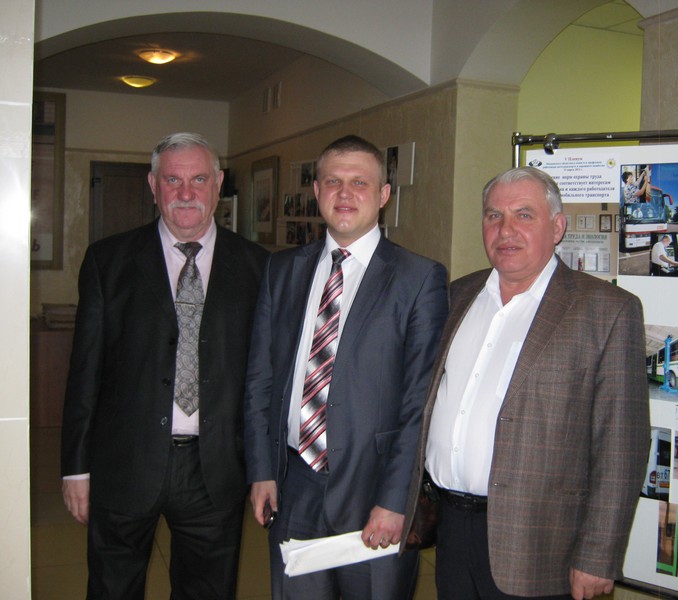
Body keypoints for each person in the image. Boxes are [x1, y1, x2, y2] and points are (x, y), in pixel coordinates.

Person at [401, 166, 650, 600]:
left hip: (541, 544)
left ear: (557, 227)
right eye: (493, 215)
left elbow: (621, 447)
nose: (505, 230)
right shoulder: (455, 296)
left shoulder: (607, 311)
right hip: (451, 530)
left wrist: (598, 555)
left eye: (524, 215)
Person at [61, 132, 268, 599]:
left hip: (215, 468)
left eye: (199, 179)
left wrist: (264, 468)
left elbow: (264, 380)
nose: (186, 193)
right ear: (153, 185)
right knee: (113, 588)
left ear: (218, 183)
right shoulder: (108, 261)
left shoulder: (258, 266)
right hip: (125, 462)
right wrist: (75, 468)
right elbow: (85, 373)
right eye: (173, 180)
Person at [244, 134, 449, 600]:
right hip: (294, 485)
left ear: (383, 195)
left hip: (374, 491)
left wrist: (395, 498)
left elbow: (420, 402)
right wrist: (262, 469)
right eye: (333, 181)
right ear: (316, 190)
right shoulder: (282, 270)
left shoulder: (419, 278)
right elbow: (260, 379)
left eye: (360, 182)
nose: (344, 193)